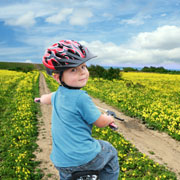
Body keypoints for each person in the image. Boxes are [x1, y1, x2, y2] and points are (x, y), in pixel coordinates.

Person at [34, 40, 119, 180]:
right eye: (73, 69)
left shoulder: (57, 94)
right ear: (57, 77)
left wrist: (39, 99)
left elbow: (46, 98)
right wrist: (109, 117)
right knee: (109, 150)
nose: (82, 73)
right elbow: (100, 122)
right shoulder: (81, 98)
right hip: (84, 158)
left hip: (60, 161)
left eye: (83, 67)